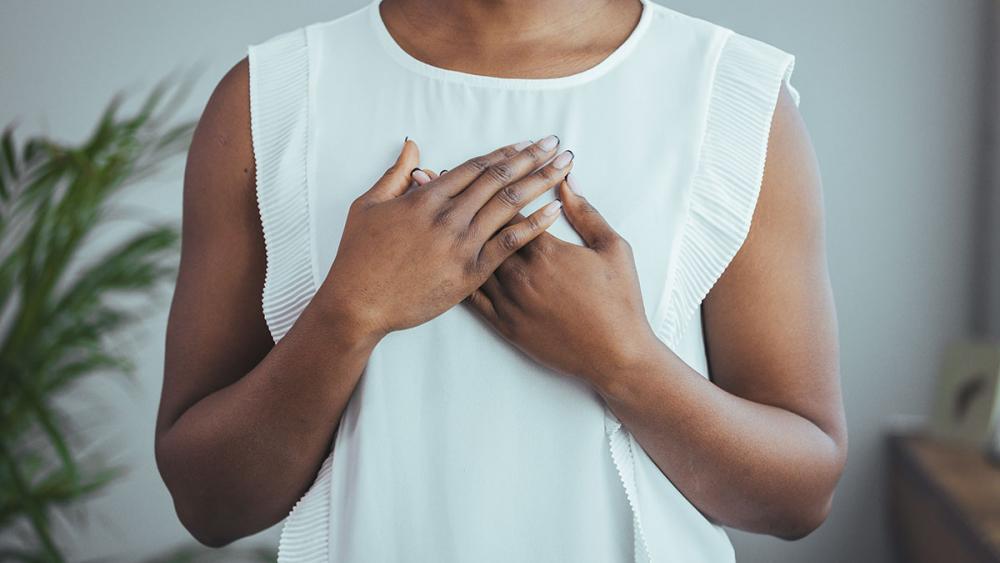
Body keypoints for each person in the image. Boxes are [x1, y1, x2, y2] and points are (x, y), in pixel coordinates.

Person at [154, 0, 848, 561]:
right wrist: (350, 310)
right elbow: (210, 503)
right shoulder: (270, 100)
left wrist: (623, 358)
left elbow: (800, 497)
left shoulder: (729, 97)